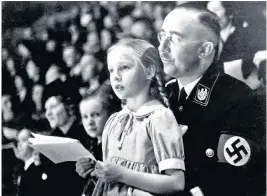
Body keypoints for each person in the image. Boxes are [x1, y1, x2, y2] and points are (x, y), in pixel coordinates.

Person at [158, 4, 265, 196]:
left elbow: (231, 180)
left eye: (174, 38)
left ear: (204, 50)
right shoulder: (166, 94)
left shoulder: (237, 99)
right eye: (162, 36)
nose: (162, 48)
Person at [77, 38, 185, 196]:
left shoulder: (158, 117)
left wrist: (122, 174)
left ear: (149, 71)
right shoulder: (113, 122)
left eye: (124, 67)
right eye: (111, 70)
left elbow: (176, 183)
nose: (116, 76)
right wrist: (97, 173)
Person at [76, 84, 121, 195]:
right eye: (85, 117)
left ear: (110, 114)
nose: (89, 122)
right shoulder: (91, 145)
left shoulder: (117, 144)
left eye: (95, 115)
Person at [12, 129, 54, 196]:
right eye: (18, 141)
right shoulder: (19, 168)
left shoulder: (41, 167)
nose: (19, 144)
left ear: (34, 143)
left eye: (23, 140)